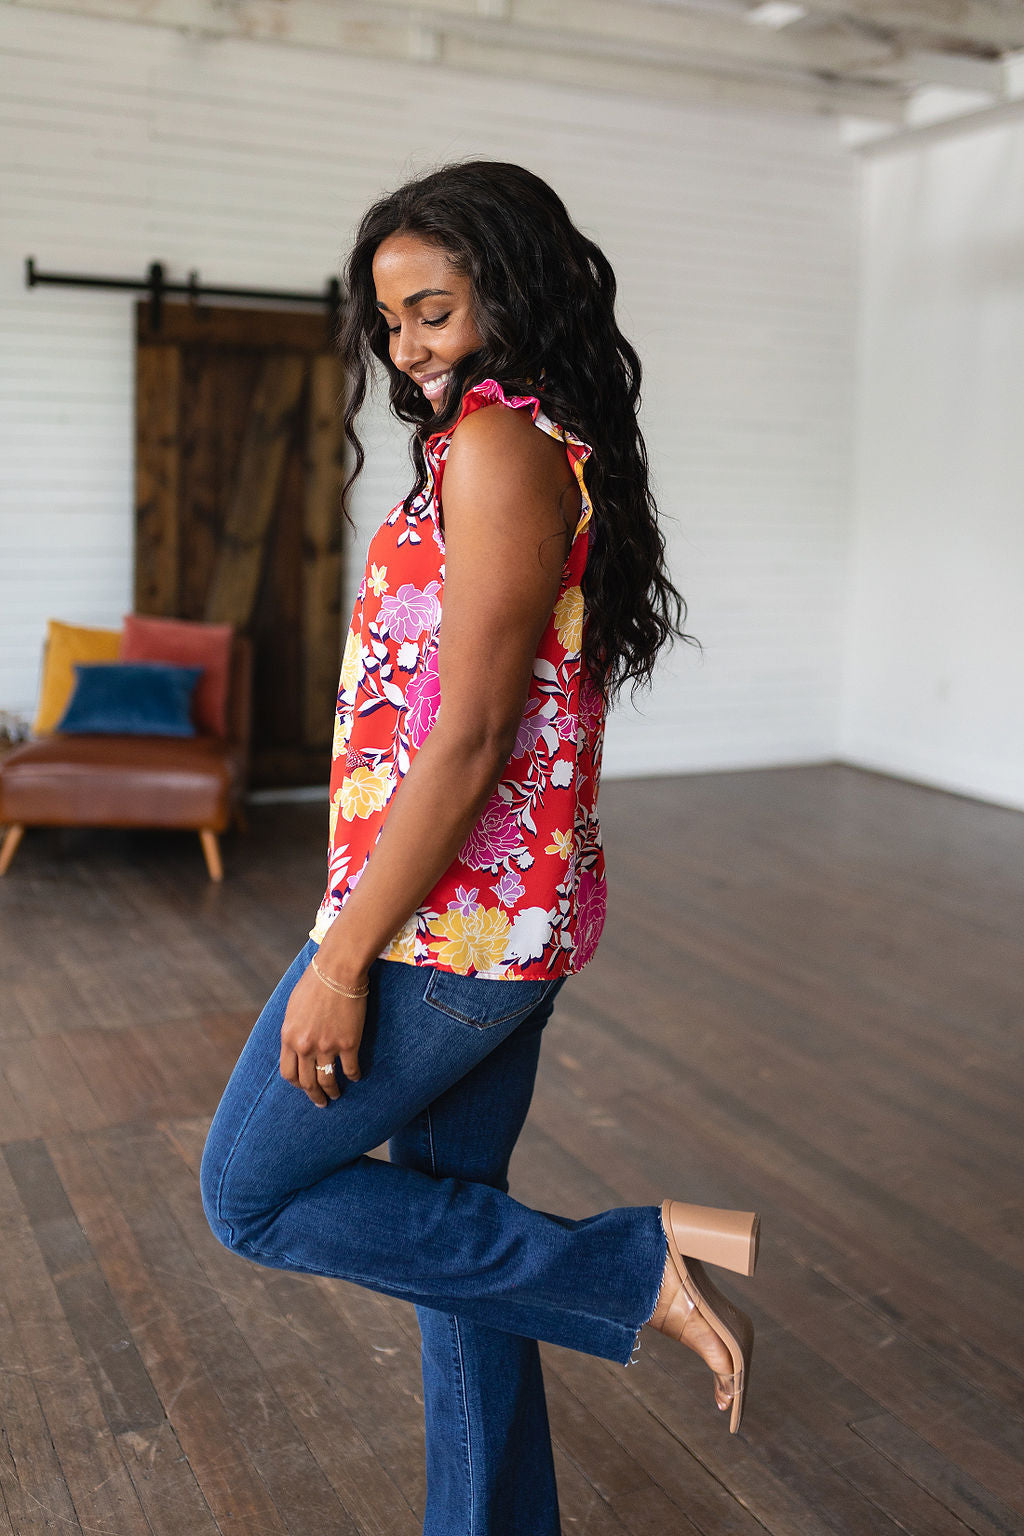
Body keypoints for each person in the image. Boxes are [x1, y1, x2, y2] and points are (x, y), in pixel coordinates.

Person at [200, 160, 760, 1536]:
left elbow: (469, 738)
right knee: (458, 1239)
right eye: (391, 323)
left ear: (508, 296)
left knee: (249, 1195)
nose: (409, 348)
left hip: (441, 932)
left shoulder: (507, 445)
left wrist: (340, 959)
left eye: (435, 310)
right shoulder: (510, 442)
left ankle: (631, 1266)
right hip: (492, 922)